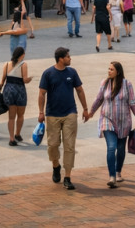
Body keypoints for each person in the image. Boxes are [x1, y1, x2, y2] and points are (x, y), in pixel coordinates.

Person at [37, 46, 91, 191]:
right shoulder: (48, 73)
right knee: (53, 145)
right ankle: (56, 165)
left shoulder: (72, 72)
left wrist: (85, 109)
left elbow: (79, 90)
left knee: (69, 145)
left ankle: (67, 177)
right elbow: (42, 93)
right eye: (68, 56)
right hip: (52, 114)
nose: (70, 58)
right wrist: (41, 112)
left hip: (70, 113)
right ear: (61, 59)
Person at [87, 61, 135, 189]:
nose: (109, 71)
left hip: (124, 122)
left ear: (118, 71)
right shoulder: (104, 83)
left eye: (111, 69)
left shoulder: (127, 84)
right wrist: (91, 112)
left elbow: (132, 101)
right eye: (108, 69)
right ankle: (112, 177)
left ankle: (118, 172)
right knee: (112, 147)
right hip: (107, 120)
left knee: (121, 149)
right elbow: (99, 99)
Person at [0, 46, 32, 147]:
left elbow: (2, 81)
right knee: (21, 115)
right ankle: (17, 134)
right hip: (19, 90)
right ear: (22, 55)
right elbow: (25, 80)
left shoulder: (6, 64)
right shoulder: (23, 64)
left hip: (9, 90)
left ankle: (11, 138)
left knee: (11, 117)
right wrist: (30, 79)